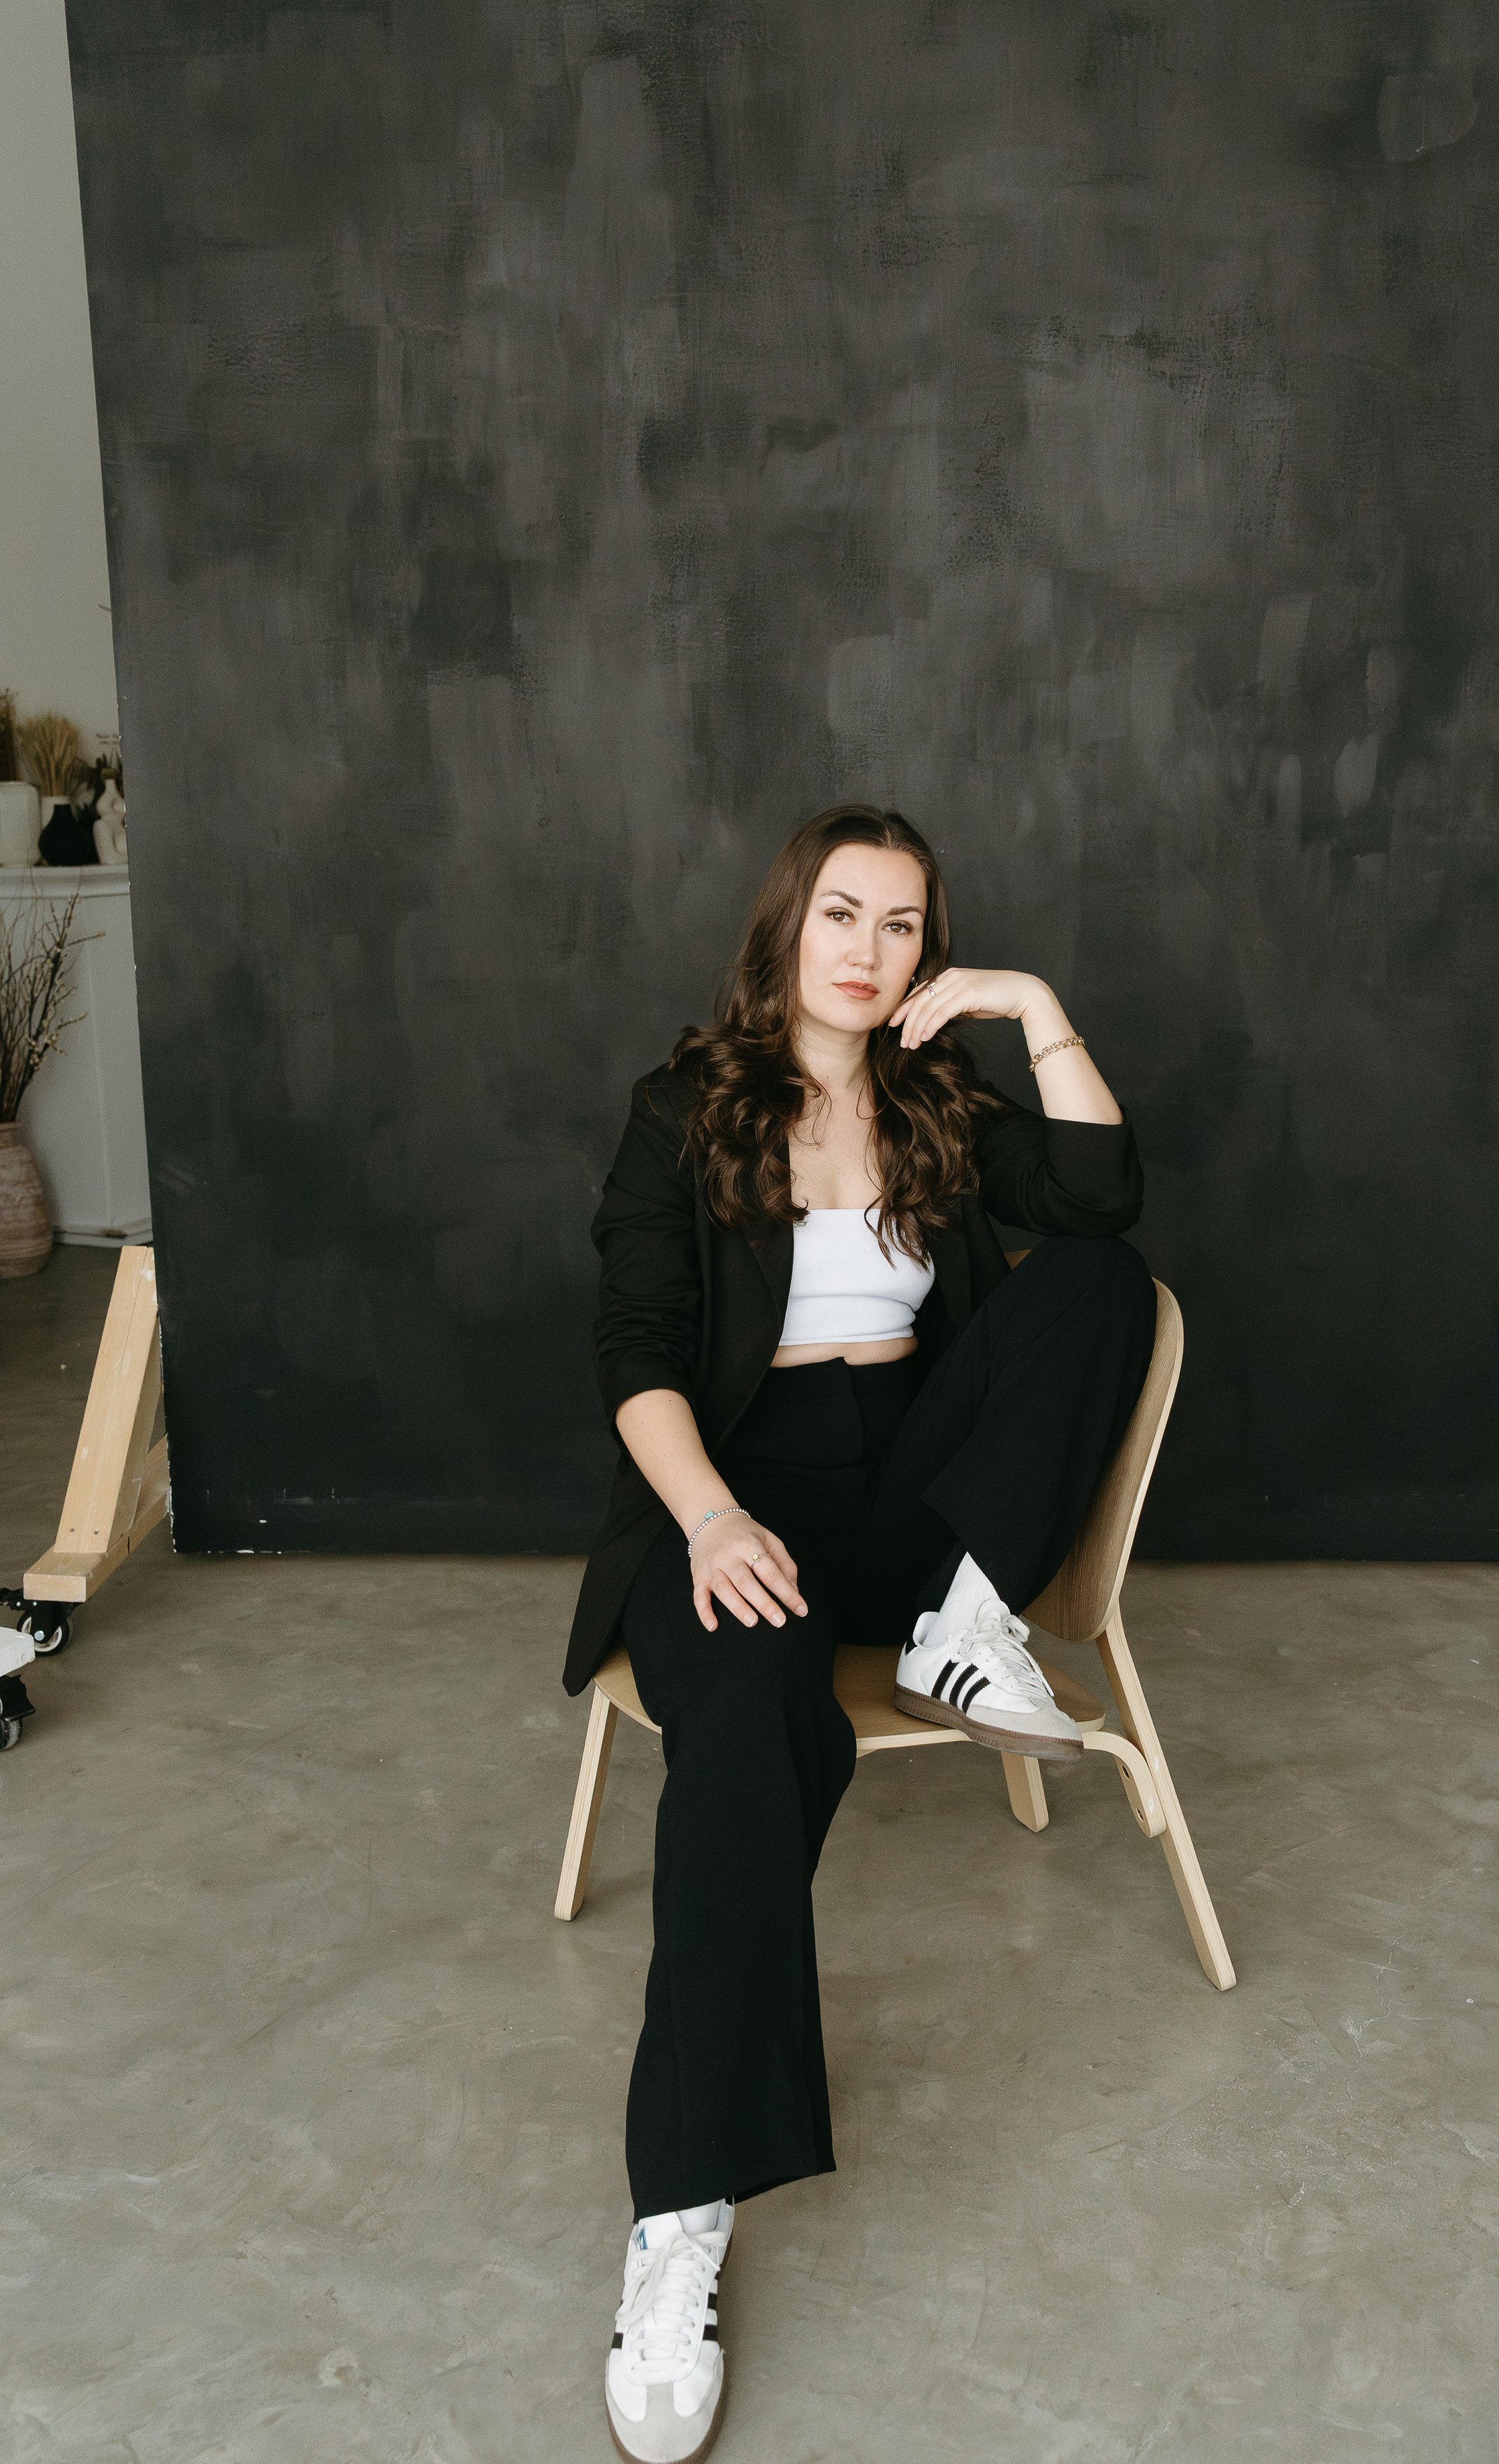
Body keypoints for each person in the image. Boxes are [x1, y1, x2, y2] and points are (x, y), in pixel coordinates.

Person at [566, 803, 1155, 2462]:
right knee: (751, 1733)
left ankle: (963, 1625)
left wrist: (1031, 1016)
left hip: (901, 1501)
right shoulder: (683, 1109)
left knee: (1102, 1283)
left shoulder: (939, 1098)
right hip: (731, 1497)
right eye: (840, 913)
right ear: (787, 925)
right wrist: (705, 1519)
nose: (865, 949)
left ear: (925, 954)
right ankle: (678, 2215)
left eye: (901, 926)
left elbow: (1101, 1197)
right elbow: (635, 1349)